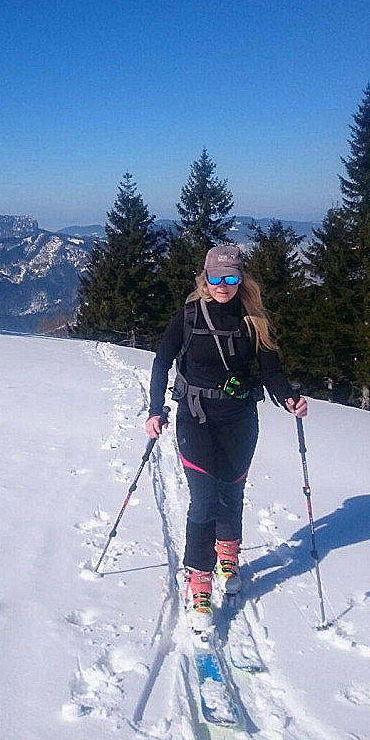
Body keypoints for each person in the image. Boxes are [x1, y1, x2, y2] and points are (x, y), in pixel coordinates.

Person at [145, 244, 307, 629]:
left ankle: (227, 554)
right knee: (204, 501)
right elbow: (161, 360)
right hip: (195, 419)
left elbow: (271, 371)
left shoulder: (253, 322)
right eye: (215, 277)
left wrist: (289, 398)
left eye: (231, 277)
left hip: (239, 421)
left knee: (231, 492)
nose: (223, 285)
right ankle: (199, 579)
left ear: (241, 279)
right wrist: (155, 408)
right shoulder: (188, 317)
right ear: (205, 278)